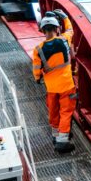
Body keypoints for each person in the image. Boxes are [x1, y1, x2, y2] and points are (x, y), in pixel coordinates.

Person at [32, 15, 76, 153]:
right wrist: (65, 17)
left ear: (42, 31)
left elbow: (36, 69)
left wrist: (38, 78)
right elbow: (70, 29)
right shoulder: (64, 40)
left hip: (51, 87)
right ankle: (62, 142)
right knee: (66, 112)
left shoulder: (38, 49)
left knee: (53, 112)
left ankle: (56, 136)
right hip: (67, 86)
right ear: (57, 28)